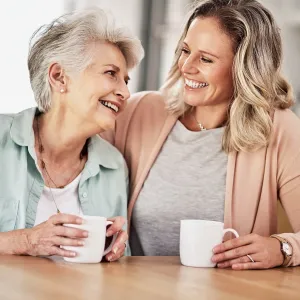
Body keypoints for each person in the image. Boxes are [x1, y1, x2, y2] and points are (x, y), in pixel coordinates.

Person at [102, 0, 300, 269]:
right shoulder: (138, 112)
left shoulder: (278, 129)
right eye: (185, 50)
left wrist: (283, 248)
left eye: (206, 59)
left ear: (244, 69)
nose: (186, 66)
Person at [0, 8, 144, 261]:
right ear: (59, 77)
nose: (125, 92)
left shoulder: (112, 165)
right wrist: (26, 241)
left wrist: (113, 249)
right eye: (111, 73)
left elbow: (112, 270)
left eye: (126, 80)